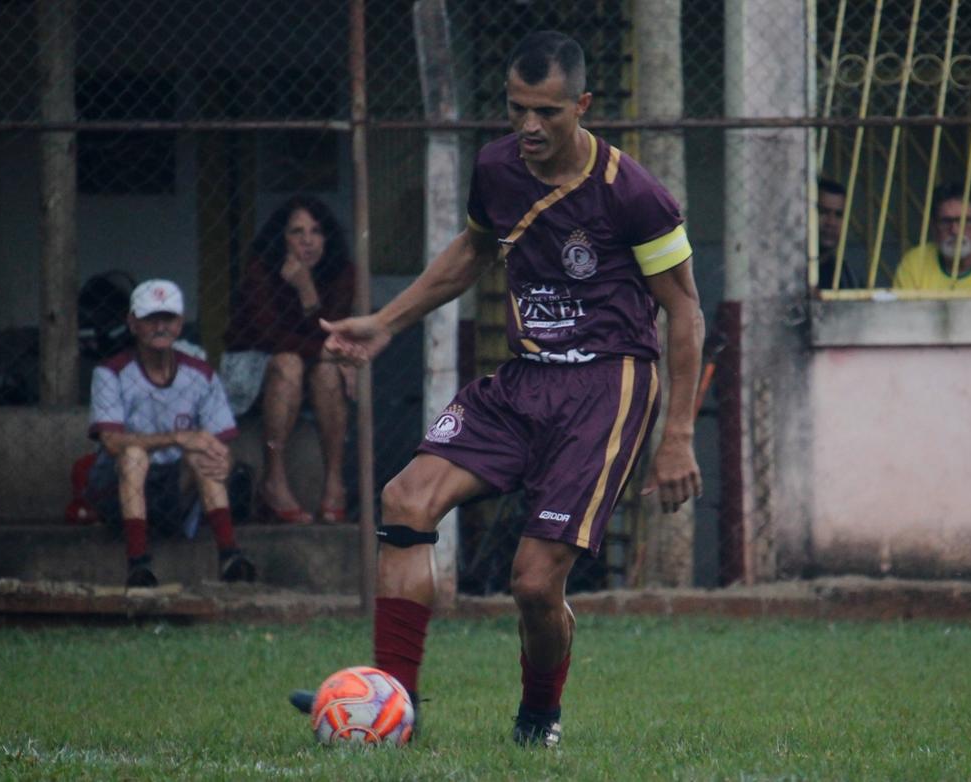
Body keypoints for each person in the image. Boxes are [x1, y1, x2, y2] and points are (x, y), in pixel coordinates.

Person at [289, 30, 704, 747]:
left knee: (535, 585)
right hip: (523, 380)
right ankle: (393, 707)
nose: (530, 128)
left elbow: (687, 310)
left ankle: (539, 716)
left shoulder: (632, 194)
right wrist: (386, 322)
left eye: (547, 112)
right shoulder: (498, 170)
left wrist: (678, 436)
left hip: (608, 386)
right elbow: (474, 252)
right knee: (404, 499)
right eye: (517, 110)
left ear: (583, 104)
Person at [86, 279, 256, 588]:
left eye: (168, 319)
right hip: (117, 489)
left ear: (180, 324)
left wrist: (225, 461)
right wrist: (177, 438)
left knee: (203, 452)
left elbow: (222, 443)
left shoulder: (200, 373)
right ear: (133, 323)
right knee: (134, 455)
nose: (160, 326)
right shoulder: (110, 372)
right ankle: (139, 565)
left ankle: (231, 556)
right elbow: (111, 442)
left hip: (175, 493)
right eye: (151, 319)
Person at [224, 196, 357, 525]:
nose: (308, 240)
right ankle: (274, 482)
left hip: (311, 367)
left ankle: (334, 486)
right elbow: (269, 335)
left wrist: (307, 291)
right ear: (281, 239)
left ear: (328, 237)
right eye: (297, 232)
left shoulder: (340, 271)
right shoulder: (261, 269)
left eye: (316, 231)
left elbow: (334, 329)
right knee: (289, 364)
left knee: (327, 373)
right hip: (253, 368)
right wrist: (326, 349)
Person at [815, 178, 893, 290]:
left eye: (839, 215)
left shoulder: (847, 276)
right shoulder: (788, 270)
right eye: (823, 212)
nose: (831, 222)